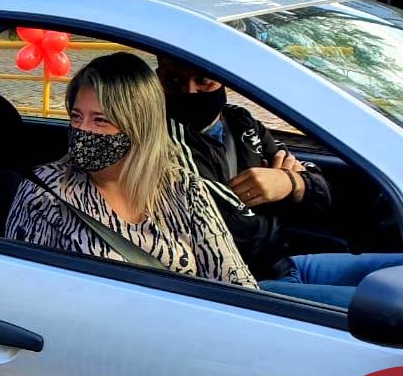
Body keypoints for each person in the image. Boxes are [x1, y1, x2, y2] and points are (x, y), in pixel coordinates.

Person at [158, 57, 403, 307]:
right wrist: (279, 194)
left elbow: (322, 190)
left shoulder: (241, 122)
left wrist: (289, 183)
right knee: (388, 307)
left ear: (221, 80)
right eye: (174, 80)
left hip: (287, 263)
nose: (189, 91)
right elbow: (229, 226)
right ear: (159, 77)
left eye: (203, 80)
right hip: (248, 284)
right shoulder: (164, 143)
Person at [6, 52, 257, 287]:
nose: (83, 130)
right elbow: (23, 289)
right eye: (76, 116)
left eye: (100, 120)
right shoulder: (45, 192)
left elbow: (236, 283)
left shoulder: (184, 187)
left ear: (139, 127)